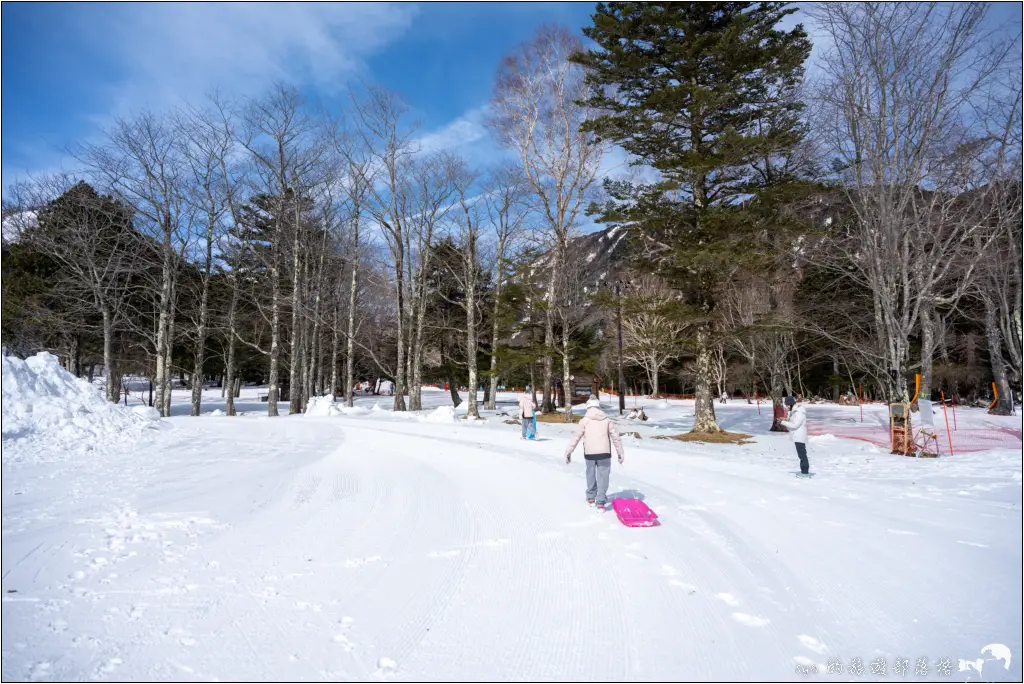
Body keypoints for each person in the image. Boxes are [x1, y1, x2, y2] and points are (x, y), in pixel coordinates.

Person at [564, 397, 625, 510]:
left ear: (588, 407)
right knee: (603, 476)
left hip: (590, 453)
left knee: (590, 474)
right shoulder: (607, 420)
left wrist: (568, 451)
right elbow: (615, 437)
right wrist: (620, 453)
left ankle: (591, 497)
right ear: (598, 406)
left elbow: (576, 437)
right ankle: (601, 501)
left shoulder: (584, 421)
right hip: (604, 453)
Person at [780, 400, 810, 476]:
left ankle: (805, 472)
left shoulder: (799, 412)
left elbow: (795, 425)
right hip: (797, 435)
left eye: (787, 405)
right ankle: (804, 471)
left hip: (799, 436)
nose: (786, 407)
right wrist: (784, 419)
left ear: (791, 404)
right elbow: (791, 420)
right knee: (801, 454)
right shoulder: (794, 411)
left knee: (802, 455)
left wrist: (782, 423)